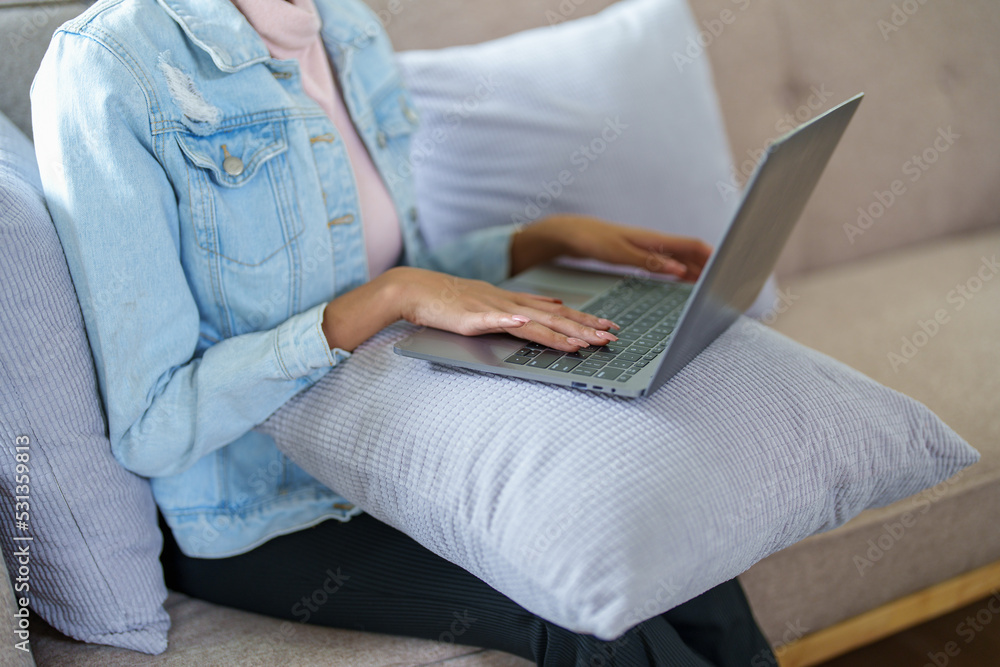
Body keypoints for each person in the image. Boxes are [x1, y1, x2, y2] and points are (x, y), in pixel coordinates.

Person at [31, 0, 776, 664]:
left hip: (404, 441)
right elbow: (154, 426)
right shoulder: (110, 65)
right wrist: (389, 297)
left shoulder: (346, 28)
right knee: (583, 623)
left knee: (664, 539)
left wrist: (543, 241)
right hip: (259, 512)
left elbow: (403, 281)